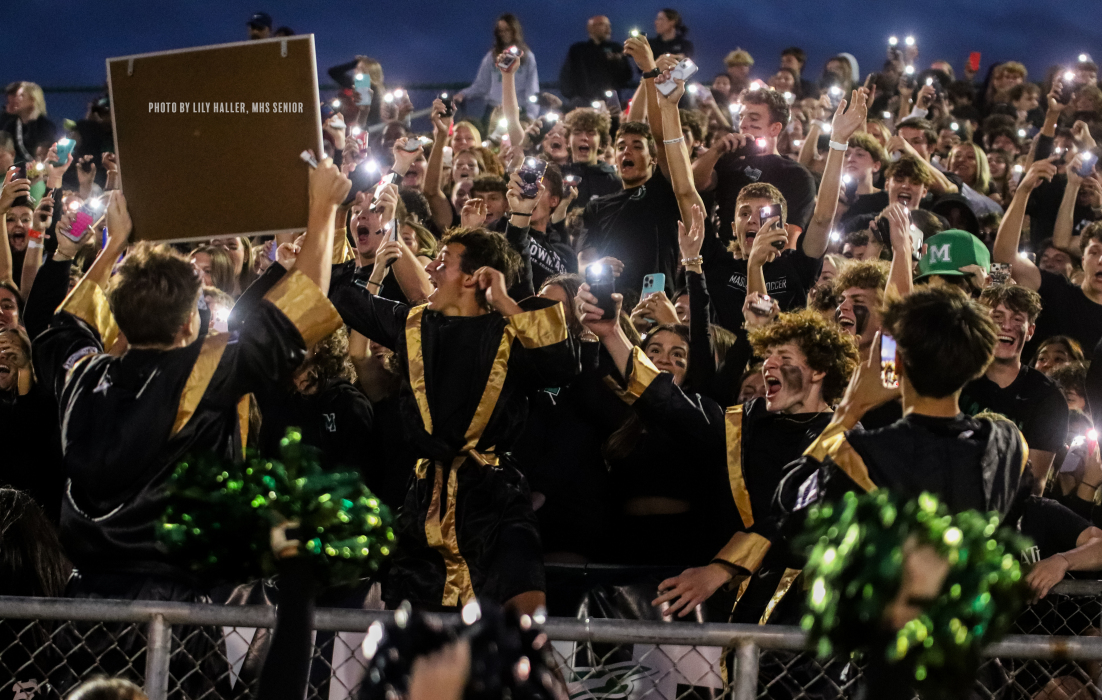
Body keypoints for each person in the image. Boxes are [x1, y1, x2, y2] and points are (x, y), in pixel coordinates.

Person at [32, 157, 349, 599]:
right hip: (172, 609)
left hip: (84, 604)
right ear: (186, 327)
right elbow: (299, 313)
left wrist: (113, 245)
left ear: (118, 323)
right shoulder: (203, 371)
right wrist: (323, 210)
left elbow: (66, 327)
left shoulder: (82, 371)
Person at [716, 285, 1031, 625]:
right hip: (970, 642)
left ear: (900, 363)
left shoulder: (867, 452)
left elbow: (789, 506)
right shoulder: (1005, 441)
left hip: (891, 647)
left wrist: (848, 413)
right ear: (980, 359)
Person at [329, 222, 580, 613]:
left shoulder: (511, 331)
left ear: (474, 278)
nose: (430, 269)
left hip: (495, 501)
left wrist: (505, 301)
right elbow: (343, 297)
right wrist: (336, 215)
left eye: (443, 262)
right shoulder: (412, 324)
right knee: (419, 634)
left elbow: (562, 367)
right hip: (425, 505)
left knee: (525, 629)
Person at [700, 88, 868, 331]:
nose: (754, 220)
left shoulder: (794, 267)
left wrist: (839, 141)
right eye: (744, 212)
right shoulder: (721, 259)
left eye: (765, 212)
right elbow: (686, 189)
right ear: (732, 222)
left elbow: (822, 218)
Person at [576, 45, 702, 300]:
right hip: (610, 308)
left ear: (653, 158)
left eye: (636, 147)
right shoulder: (598, 207)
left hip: (657, 308)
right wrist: (592, 269)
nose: (627, 152)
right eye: (621, 147)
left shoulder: (663, 190)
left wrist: (649, 73)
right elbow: (584, 258)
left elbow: (659, 135)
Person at [959, 285, 1069, 491]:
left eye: (1017, 319)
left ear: (1030, 331)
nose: (1006, 326)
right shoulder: (958, 376)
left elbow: (1035, 484)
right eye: (997, 318)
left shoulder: (1048, 398)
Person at [994, 159, 1102, 358]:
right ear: (1083, 259)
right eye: (1094, 252)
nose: (1101, 260)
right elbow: (1005, 258)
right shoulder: (1057, 291)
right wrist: (1023, 192)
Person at [693, 85, 817, 235]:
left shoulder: (796, 175)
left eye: (753, 118)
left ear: (775, 128)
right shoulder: (729, 161)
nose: (743, 124)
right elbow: (693, 184)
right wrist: (715, 151)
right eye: (741, 117)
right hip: (720, 254)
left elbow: (789, 237)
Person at [452, 14, 540, 123]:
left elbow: (532, 89)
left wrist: (531, 115)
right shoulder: (491, 57)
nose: (503, 34)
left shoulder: (527, 57)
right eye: (500, 31)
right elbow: (481, 85)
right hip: (494, 110)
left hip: (518, 111)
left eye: (507, 30)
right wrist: (463, 94)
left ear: (514, 31)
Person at [558, 16, 633, 108]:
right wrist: (573, 97)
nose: (608, 28)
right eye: (602, 24)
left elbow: (627, 76)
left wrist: (619, 62)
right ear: (590, 28)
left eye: (608, 25)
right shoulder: (578, 50)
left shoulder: (615, 48)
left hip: (610, 101)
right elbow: (566, 75)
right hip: (583, 102)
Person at [561, 107, 621, 208]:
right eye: (577, 132)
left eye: (591, 132)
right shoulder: (557, 178)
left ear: (601, 143)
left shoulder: (614, 182)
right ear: (568, 142)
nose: (584, 137)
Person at [1, 82, 58, 166]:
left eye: (21, 96)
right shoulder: (11, 125)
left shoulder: (45, 126)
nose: (16, 99)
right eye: (16, 96)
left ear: (33, 100)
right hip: (17, 172)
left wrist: (31, 123)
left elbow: (44, 154)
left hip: (41, 173)